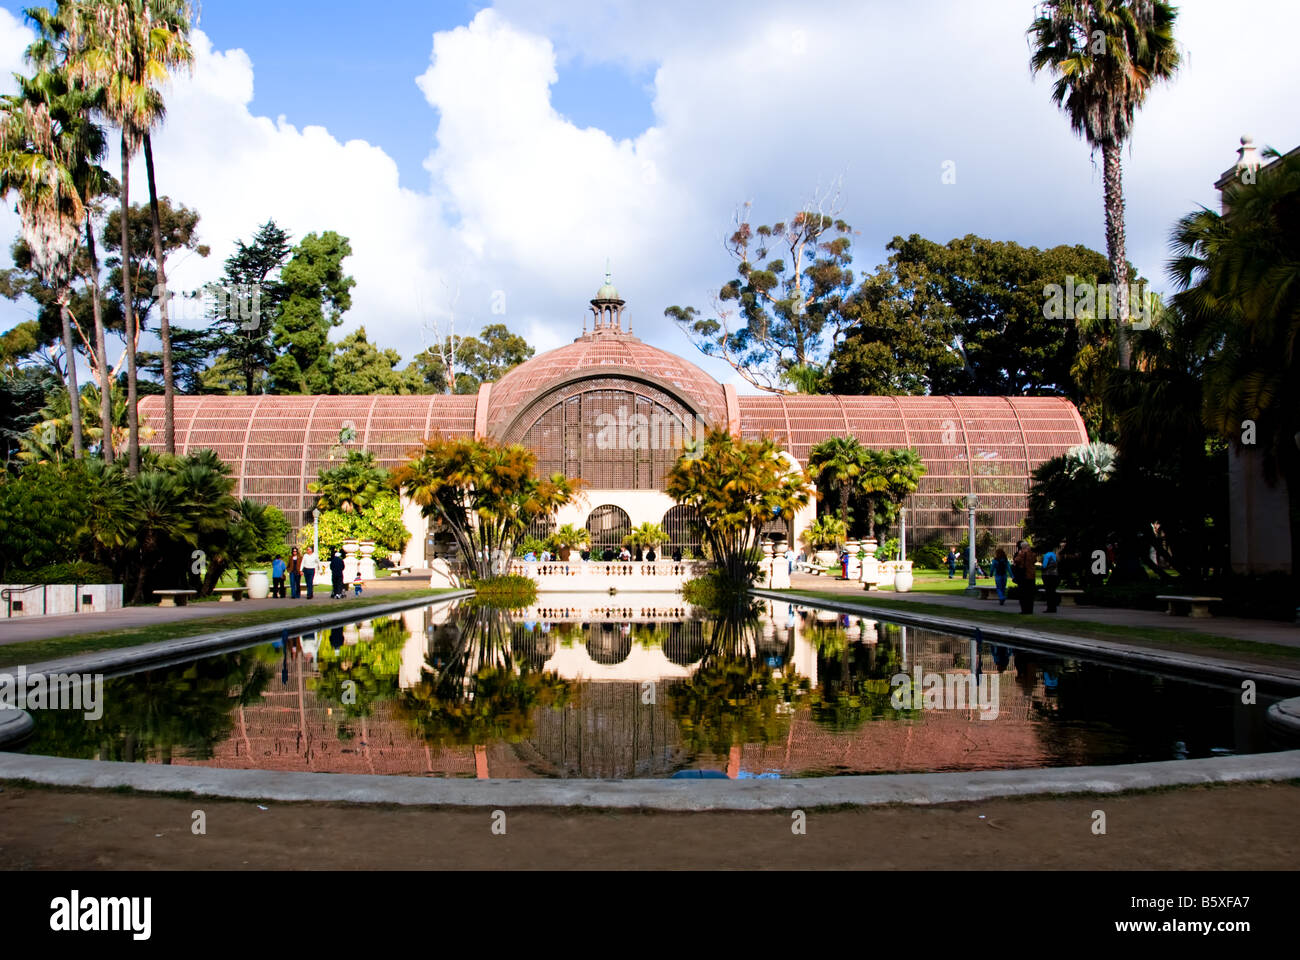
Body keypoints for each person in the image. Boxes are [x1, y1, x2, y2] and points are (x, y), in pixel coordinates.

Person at [1012, 540, 1036, 615]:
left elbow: (1016, 560)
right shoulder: (1032, 554)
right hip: (1031, 575)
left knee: (1023, 594)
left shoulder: (1022, 553)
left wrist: (1020, 554)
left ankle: (1024, 610)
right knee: (1030, 594)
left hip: (1024, 575)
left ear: (1022, 547)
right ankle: (1030, 610)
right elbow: (1034, 561)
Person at [1041, 543, 1061, 613]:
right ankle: (1054, 607)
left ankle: (1049, 608)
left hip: (1047, 575)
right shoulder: (1054, 555)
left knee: (1048, 592)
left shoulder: (1046, 555)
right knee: (1053, 591)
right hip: (1055, 575)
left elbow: (1044, 566)